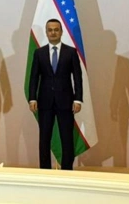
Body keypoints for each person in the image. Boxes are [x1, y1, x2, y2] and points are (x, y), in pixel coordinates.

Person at [28, 19, 83, 170]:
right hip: (45, 102)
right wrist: (32, 98)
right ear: (46, 32)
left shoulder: (70, 52)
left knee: (67, 138)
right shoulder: (39, 53)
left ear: (61, 32)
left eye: (56, 30)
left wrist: (78, 99)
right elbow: (34, 78)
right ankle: (45, 170)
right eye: (50, 30)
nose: (53, 32)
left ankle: (67, 170)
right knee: (44, 138)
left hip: (66, 102)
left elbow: (77, 78)